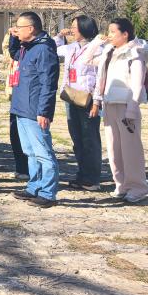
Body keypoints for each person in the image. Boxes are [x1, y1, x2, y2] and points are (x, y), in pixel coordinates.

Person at [78, 17, 148, 204]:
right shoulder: (109, 51)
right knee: (114, 149)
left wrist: (132, 109)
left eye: (113, 31)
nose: (109, 35)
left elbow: (136, 83)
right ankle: (121, 185)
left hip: (126, 105)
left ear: (125, 34)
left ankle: (137, 187)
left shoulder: (135, 53)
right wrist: (96, 42)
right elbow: (86, 60)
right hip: (110, 104)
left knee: (131, 149)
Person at [8, 11, 61, 207]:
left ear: (30, 29)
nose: (16, 30)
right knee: (30, 152)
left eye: (19, 27)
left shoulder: (44, 50)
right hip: (21, 108)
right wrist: (13, 38)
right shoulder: (26, 48)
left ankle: (48, 193)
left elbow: (49, 83)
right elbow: (13, 54)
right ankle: (34, 187)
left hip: (35, 110)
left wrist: (44, 111)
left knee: (43, 153)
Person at [54, 15, 103, 191]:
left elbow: (100, 77)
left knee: (89, 138)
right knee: (77, 138)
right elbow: (54, 49)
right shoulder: (72, 47)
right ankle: (82, 174)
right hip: (71, 96)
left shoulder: (98, 48)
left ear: (84, 28)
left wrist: (97, 102)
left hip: (88, 99)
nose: (72, 30)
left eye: (74, 27)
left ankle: (92, 178)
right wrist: (59, 36)